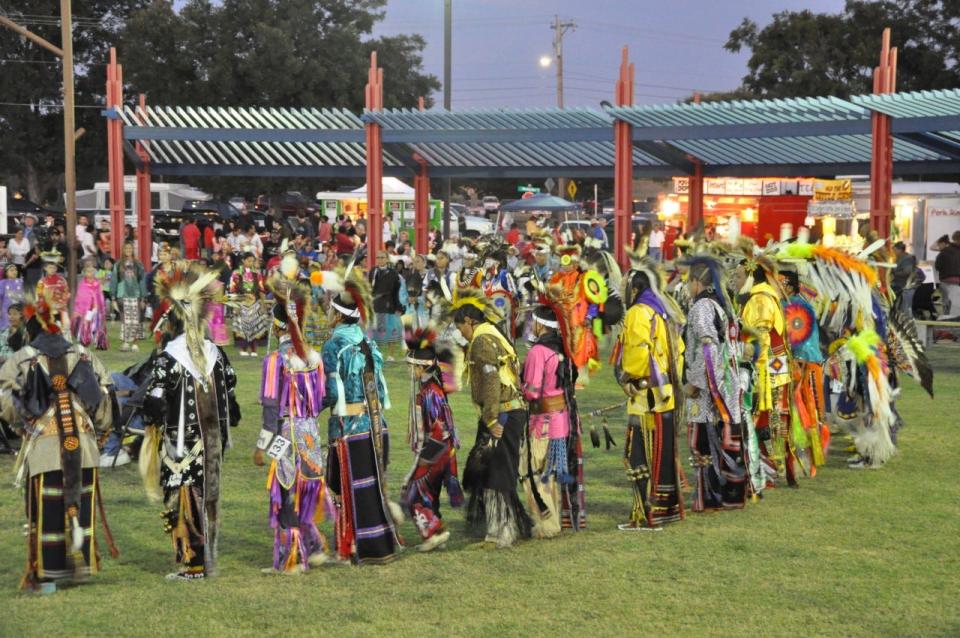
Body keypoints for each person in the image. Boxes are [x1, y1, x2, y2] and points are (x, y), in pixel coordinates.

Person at [0, 281, 116, 592]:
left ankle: (50, 575)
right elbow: (104, 395)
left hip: (45, 447)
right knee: (77, 500)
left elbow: (7, 400)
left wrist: (19, 426)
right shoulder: (82, 354)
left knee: (48, 509)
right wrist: (103, 430)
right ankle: (77, 566)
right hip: (83, 441)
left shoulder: (24, 357)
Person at [139, 261, 240, 581]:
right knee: (206, 494)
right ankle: (205, 557)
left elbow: (155, 400)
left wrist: (151, 419)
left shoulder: (170, 357)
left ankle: (194, 564)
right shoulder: (215, 353)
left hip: (181, 443)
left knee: (183, 497)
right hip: (211, 441)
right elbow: (232, 393)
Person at [321, 261, 401, 564]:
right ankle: (378, 546)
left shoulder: (334, 345)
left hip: (348, 428)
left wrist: (305, 408)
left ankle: (352, 547)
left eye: (330, 310)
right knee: (371, 488)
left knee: (348, 488)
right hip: (375, 424)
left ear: (338, 314)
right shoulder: (365, 340)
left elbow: (330, 392)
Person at [256, 262, 332, 573]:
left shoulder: (277, 360)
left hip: (286, 436)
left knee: (285, 494)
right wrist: (307, 417)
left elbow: (271, 407)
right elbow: (324, 397)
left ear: (277, 327)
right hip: (310, 435)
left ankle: (293, 559)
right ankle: (314, 547)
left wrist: (263, 445)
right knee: (304, 491)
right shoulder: (313, 359)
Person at [449, 288, 531, 548]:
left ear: (470, 322)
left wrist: (493, 420)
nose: (460, 332)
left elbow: (492, 380)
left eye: (460, 326)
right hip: (506, 411)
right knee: (492, 472)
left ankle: (502, 532)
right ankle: (498, 530)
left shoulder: (482, 341)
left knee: (496, 474)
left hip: (503, 413)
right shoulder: (492, 334)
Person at [615, 256, 686, 529]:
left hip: (645, 399)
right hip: (665, 396)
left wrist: (628, 378)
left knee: (638, 457)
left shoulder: (637, 313)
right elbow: (677, 353)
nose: (623, 295)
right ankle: (663, 510)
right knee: (663, 454)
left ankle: (644, 515)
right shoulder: (663, 311)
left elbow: (636, 355)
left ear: (634, 290)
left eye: (625, 289)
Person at [682, 256, 747, 511]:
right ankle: (730, 496)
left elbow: (707, 347)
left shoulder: (702, 307)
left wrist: (695, 383)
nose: (688, 288)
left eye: (689, 283)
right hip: (726, 384)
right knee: (726, 440)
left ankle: (708, 498)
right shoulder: (722, 306)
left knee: (702, 442)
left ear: (697, 282)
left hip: (710, 391)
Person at [401, 323, 462, 551]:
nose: (409, 371)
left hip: (436, 451)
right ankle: (436, 530)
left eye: (411, 366)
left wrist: (424, 459)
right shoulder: (431, 388)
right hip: (439, 450)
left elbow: (439, 427)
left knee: (413, 492)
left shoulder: (431, 393)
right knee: (429, 493)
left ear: (421, 367)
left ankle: (432, 532)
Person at [737, 255, 795, 487]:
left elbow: (760, 340)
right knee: (765, 421)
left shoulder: (760, 300)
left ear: (751, 277)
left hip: (766, 371)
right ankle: (765, 470)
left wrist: (753, 372)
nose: (736, 280)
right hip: (772, 369)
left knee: (762, 420)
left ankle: (766, 472)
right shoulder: (758, 297)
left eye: (739, 276)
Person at [520, 304, 578, 539]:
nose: (531, 325)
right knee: (550, 474)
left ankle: (546, 524)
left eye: (533, 321)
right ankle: (554, 521)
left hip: (541, 422)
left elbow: (532, 391)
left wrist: (517, 383)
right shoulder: (561, 348)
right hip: (561, 420)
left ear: (540, 324)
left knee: (532, 472)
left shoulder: (537, 352)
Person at [229, 252, 268, 357]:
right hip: (241, 303)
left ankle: (254, 349)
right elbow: (233, 290)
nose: (251, 263)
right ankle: (243, 348)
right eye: (249, 261)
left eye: (252, 261)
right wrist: (236, 306)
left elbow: (261, 289)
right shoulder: (236, 274)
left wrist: (263, 304)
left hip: (255, 304)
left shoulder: (257, 274)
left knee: (255, 326)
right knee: (242, 327)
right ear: (243, 260)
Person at [111, 242, 147, 352]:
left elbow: (142, 281)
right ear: (123, 250)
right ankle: (125, 343)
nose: (128, 249)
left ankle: (135, 343)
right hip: (122, 293)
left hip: (136, 294)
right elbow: (114, 281)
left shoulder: (138, 264)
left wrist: (143, 297)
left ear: (133, 249)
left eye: (130, 247)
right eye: (126, 248)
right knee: (125, 319)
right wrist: (113, 297)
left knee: (136, 319)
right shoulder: (118, 265)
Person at [369, 251, 404, 356]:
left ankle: (391, 355)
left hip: (389, 305)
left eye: (382, 257)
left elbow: (396, 291)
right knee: (376, 331)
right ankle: (377, 353)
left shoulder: (393, 273)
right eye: (378, 257)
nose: (380, 259)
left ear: (387, 259)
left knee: (390, 330)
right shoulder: (373, 271)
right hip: (375, 305)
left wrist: (398, 306)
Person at [71, 258, 109, 350]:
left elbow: (100, 294)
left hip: (97, 308)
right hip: (87, 309)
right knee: (86, 323)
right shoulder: (82, 284)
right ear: (84, 273)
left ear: (95, 272)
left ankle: (100, 342)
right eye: (88, 271)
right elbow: (81, 297)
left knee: (99, 324)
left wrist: (98, 304)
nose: (90, 273)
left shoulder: (97, 283)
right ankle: (84, 339)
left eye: (92, 271)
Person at [933, 232, 960, 318]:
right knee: (955, 304)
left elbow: (937, 266)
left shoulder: (944, 251)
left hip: (945, 280)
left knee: (946, 302)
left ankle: (946, 318)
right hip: (957, 281)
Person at [892, 241, 918, 316]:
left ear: (900, 250)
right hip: (901, 285)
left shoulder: (907, 259)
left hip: (905, 286)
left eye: (895, 250)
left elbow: (907, 272)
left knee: (905, 308)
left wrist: (894, 274)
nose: (893, 252)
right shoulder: (900, 258)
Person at [0, 264, 25, 331]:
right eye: (11, 270)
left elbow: (24, 297)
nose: (15, 272)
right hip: (6, 310)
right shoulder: (3, 283)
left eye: (16, 270)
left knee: (18, 328)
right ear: (6, 273)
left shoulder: (21, 281)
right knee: (6, 328)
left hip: (18, 309)